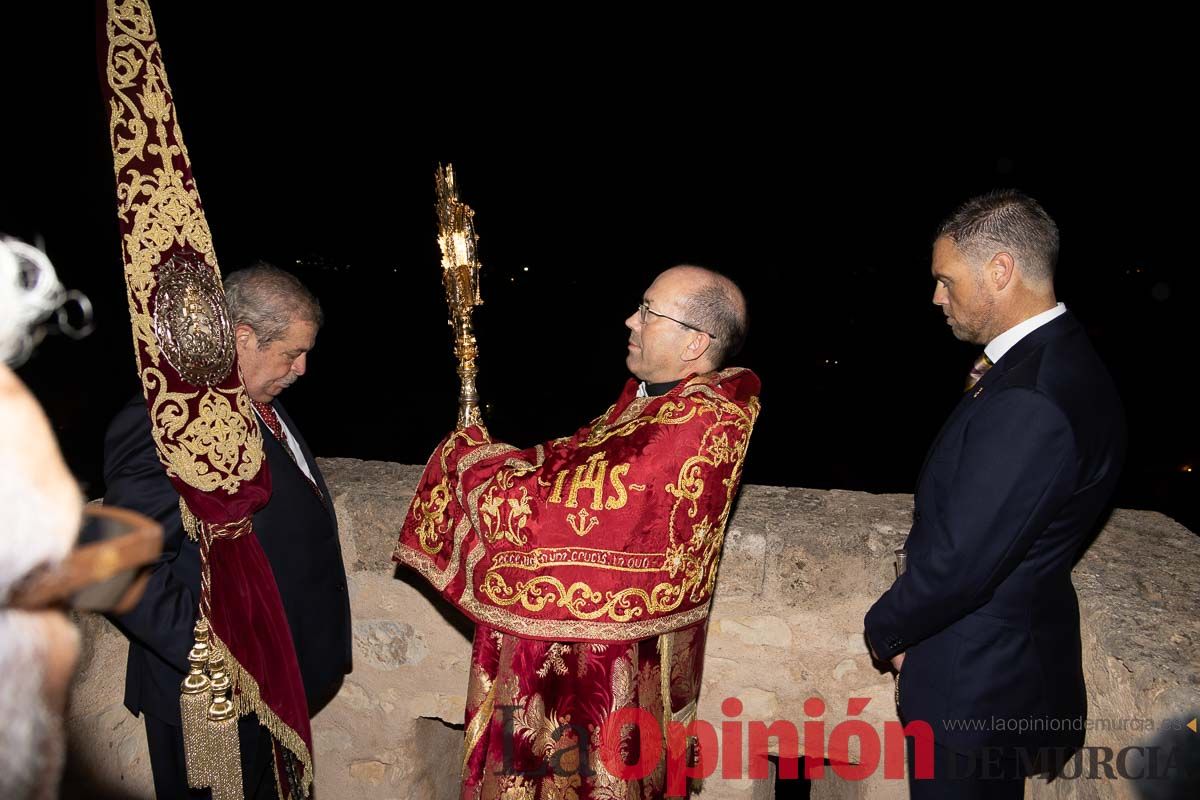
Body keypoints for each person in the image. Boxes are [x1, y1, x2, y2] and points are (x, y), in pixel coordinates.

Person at [394, 265, 758, 798]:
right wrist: (503, 458)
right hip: (578, 637)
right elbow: (572, 456)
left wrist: (470, 464)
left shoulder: (699, 420)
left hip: (603, 658)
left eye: (650, 312)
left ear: (695, 343)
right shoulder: (650, 400)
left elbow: (560, 510)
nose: (632, 320)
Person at [864, 191, 1126, 798]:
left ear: (1001, 271)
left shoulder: (1032, 397)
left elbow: (963, 561)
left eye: (945, 280)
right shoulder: (1059, 357)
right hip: (999, 670)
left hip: (975, 687)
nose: (936, 297)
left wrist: (889, 631)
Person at [104, 263, 352, 799]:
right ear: (242, 338)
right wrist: (217, 658)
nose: (302, 368)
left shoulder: (259, 406)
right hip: (210, 706)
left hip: (273, 690)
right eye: (291, 352)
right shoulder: (164, 425)